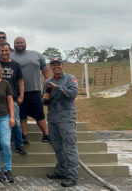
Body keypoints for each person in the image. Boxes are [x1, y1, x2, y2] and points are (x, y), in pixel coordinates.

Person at [43, 57, 79, 188]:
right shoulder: (48, 81)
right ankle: (62, 170)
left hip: (66, 118)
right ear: (51, 67)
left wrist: (57, 88)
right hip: (52, 118)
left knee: (70, 147)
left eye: (58, 64)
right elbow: (45, 101)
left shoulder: (70, 78)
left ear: (62, 65)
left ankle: (72, 175)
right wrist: (46, 98)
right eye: (53, 65)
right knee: (57, 147)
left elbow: (73, 94)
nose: (56, 67)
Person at [11, 37, 51, 143]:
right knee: (22, 115)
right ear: (14, 45)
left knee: (39, 113)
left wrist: (48, 84)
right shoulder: (10, 56)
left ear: (25, 43)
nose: (19, 44)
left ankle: (46, 135)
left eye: (21, 42)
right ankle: (24, 136)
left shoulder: (36, 55)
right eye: (17, 43)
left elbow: (45, 70)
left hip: (34, 89)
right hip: (18, 91)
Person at [0, 43, 26, 155]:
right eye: (2, 51)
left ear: (10, 51)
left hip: (13, 98)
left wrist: (21, 96)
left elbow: (20, 81)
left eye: (6, 50)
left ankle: (19, 146)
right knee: (0, 124)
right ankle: (1, 147)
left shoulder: (16, 65)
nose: (4, 53)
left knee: (17, 123)